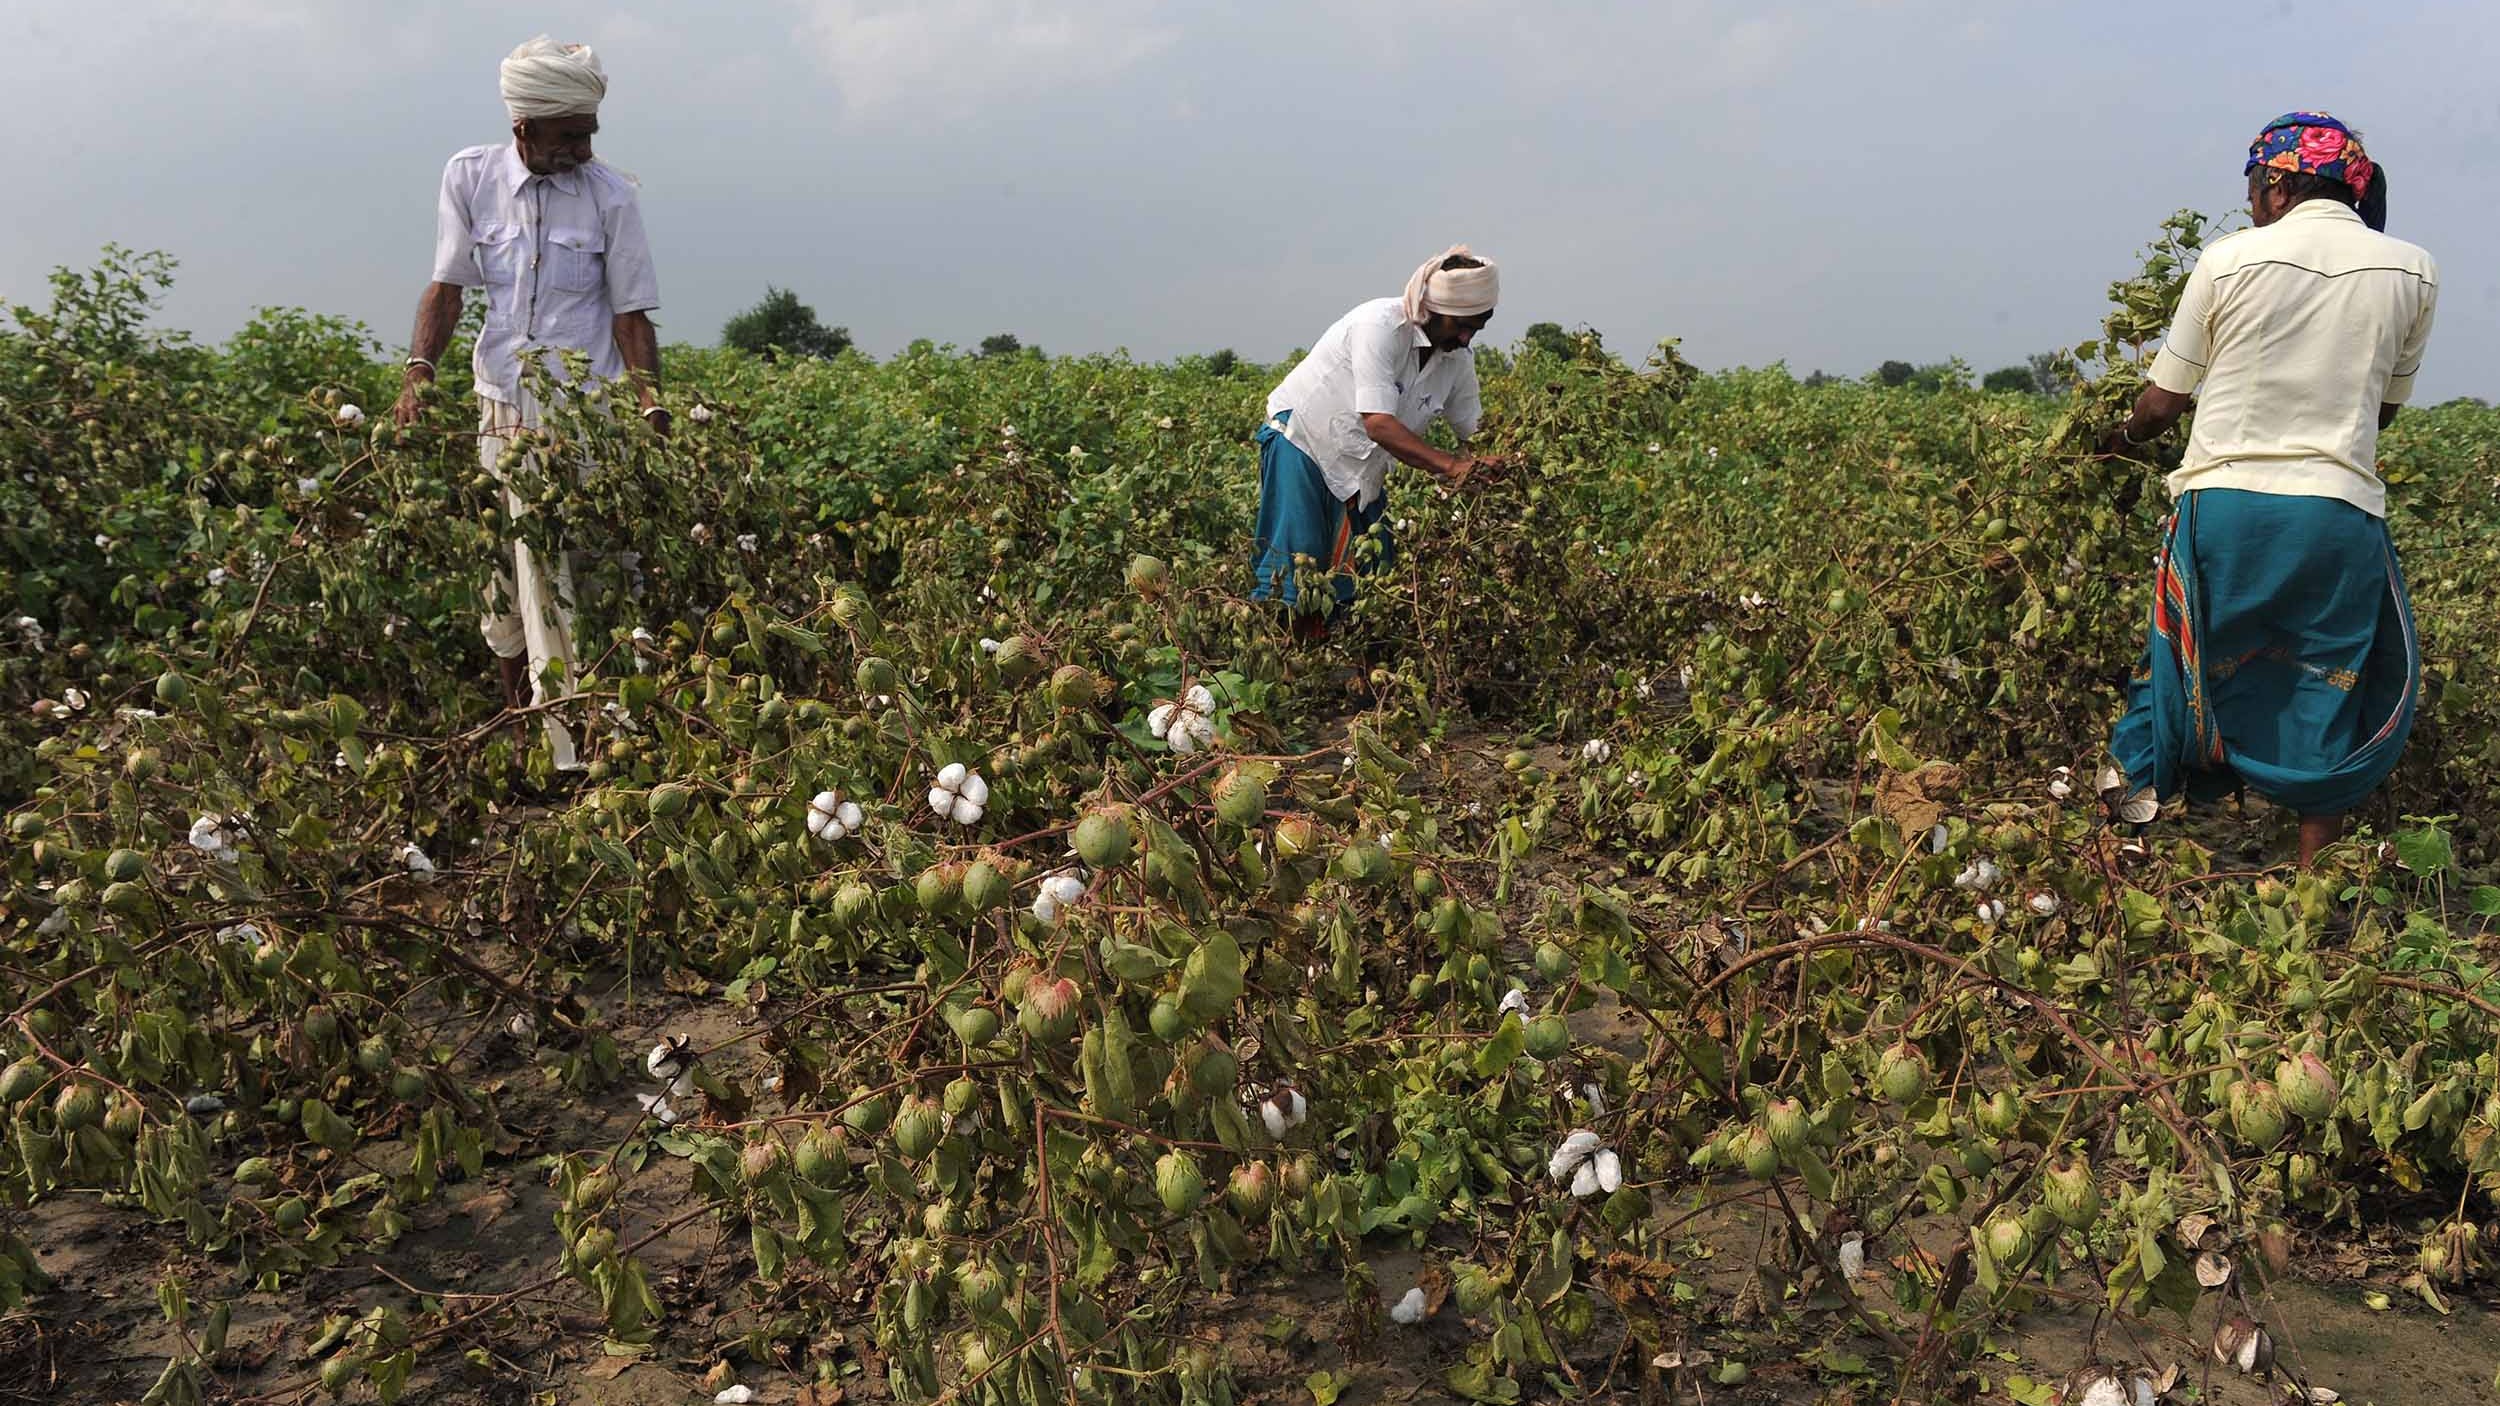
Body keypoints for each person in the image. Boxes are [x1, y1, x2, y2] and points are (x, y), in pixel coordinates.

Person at [2097, 112, 2436, 866]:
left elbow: (2161, 403)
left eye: (2254, 187)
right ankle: (2313, 890)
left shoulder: (2229, 261)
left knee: (2178, 661)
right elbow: (2381, 409)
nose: (2250, 202)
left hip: (2229, 504)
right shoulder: (2414, 270)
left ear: (2278, 183)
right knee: (2327, 678)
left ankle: (2119, 844)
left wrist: (2119, 439)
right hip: (2338, 510)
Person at [391, 35, 666, 773]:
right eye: (569, 136)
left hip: (586, 413)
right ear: (526, 128)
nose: (581, 149)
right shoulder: (471, 178)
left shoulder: (612, 196)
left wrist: (651, 410)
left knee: (586, 570)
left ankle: (591, 740)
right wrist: (419, 369)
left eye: (588, 135)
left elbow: (631, 315)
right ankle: (525, 730)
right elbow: (447, 287)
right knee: (509, 574)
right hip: (504, 409)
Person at [1251, 246, 1505, 638]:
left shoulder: (1458, 361)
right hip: (1304, 439)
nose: (1467, 336)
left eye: (1477, 327)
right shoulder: (1381, 326)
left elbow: (1476, 432)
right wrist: (1453, 467)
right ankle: (1290, 668)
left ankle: (1340, 665)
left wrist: (1504, 465)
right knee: (1298, 571)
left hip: (1361, 466)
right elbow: (1379, 425)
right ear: (1434, 307)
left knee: (1372, 575)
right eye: (1461, 324)